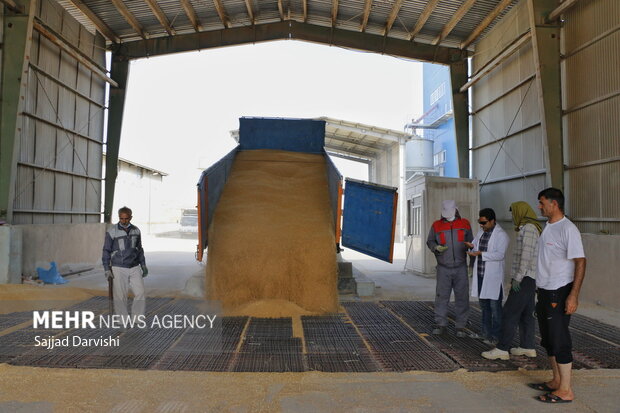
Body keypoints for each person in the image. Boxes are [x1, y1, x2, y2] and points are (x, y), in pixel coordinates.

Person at [533, 188, 586, 404]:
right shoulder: (549, 227)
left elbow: (580, 262)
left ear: (554, 204)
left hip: (559, 290)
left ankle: (566, 390)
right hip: (544, 290)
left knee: (560, 339)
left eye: (542, 202)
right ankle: (556, 380)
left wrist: (573, 295)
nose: (539, 206)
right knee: (548, 339)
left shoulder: (568, 229)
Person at [482, 201, 542, 360]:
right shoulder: (528, 228)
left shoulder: (529, 228)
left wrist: (518, 277)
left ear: (520, 212)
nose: (512, 216)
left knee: (509, 312)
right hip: (528, 277)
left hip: (525, 277)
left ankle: (502, 348)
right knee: (527, 313)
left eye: (513, 212)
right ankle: (527, 346)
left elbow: (526, 256)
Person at [426, 200, 473, 337]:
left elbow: (472, 243)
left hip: (461, 267)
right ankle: (440, 324)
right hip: (443, 267)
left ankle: (461, 326)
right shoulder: (436, 225)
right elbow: (430, 241)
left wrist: (471, 265)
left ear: (455, 210)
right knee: (441, 296)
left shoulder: (465, 224)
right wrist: (435, 247)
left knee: (462, 297)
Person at [466, 208, 509, 345]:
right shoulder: (481, 232)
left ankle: (497, 337)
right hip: (481, 274)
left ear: (492, 221)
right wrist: (471, 247)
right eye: (480, 222)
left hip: (493, 277)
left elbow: (500, 255)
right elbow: (476, 245)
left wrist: (480, 254)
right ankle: (485, 334)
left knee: (495, 308)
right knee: (484, 306)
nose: (482, 225)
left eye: (484, 223)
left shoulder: (501, 235)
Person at [102, 206, 148, 320]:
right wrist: (107, 269)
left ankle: (137, 318)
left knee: (140, 292)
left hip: (134, 266)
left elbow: (139, 249)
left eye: (126, 218)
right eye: (121, 218)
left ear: (131, 217)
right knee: (120, 295)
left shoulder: (136, 230)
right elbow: (106, 250)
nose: (124, 221)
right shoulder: (112, 231)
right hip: (118, 267)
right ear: (119, 217)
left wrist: (143, 265)